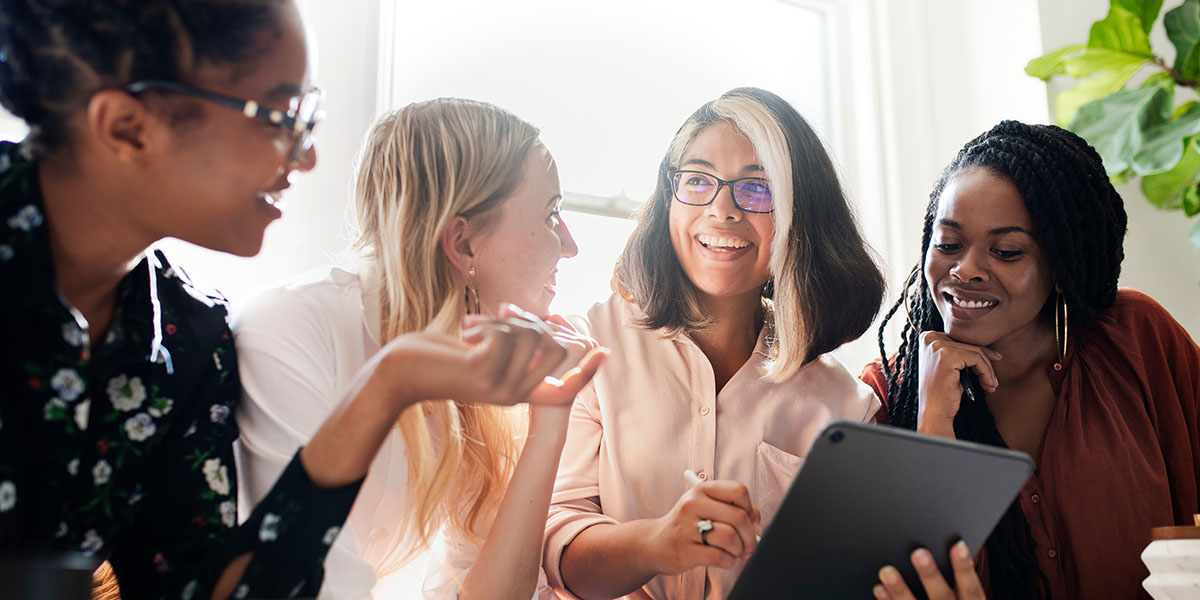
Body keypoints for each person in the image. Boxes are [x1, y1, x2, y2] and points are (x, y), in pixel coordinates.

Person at [0, 3, 592, 599]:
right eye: (280, 116)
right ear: (128, 126)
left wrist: (388, 384)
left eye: (309, 118)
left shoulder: (187, 337)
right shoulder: (271, 329)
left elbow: (208, 590)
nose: (306, 156)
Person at [234, 98, 606, 600]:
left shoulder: (476, 368)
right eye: (551, 213)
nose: (570, 245)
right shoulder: (290, 333)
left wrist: (550, 422)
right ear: (463, 242)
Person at [542, 87, 886, 599]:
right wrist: (656, 543)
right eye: (698, 181)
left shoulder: (847, 407)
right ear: (669, 198)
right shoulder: (587, 348)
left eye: (758, 187)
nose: (722, 210)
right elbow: (557, 549)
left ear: (801, 214)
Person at [862, 120, 1200, 600]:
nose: (966, 269)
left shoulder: (1138, 342)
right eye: (948, 243)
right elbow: (907, 581)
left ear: (1061, 267)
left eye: (1006, 251)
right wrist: (933, 419)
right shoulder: (885, 395)